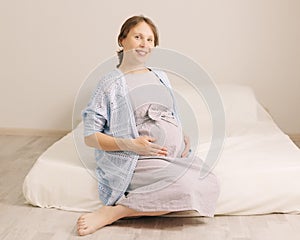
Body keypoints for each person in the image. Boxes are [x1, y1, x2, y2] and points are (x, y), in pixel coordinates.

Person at [77, 15, 220, 236]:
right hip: (137, 159)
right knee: (184, 187)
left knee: (209, 181)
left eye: (150, 39)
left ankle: (124, 209)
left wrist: (181, 133)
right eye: (138, 37)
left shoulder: (160, 76)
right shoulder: (111, 82)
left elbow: (169, 113)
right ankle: (114, 213)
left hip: (171, 156)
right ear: (122, 40)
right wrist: (132, 145)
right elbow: (90, 136)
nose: (145, 44)